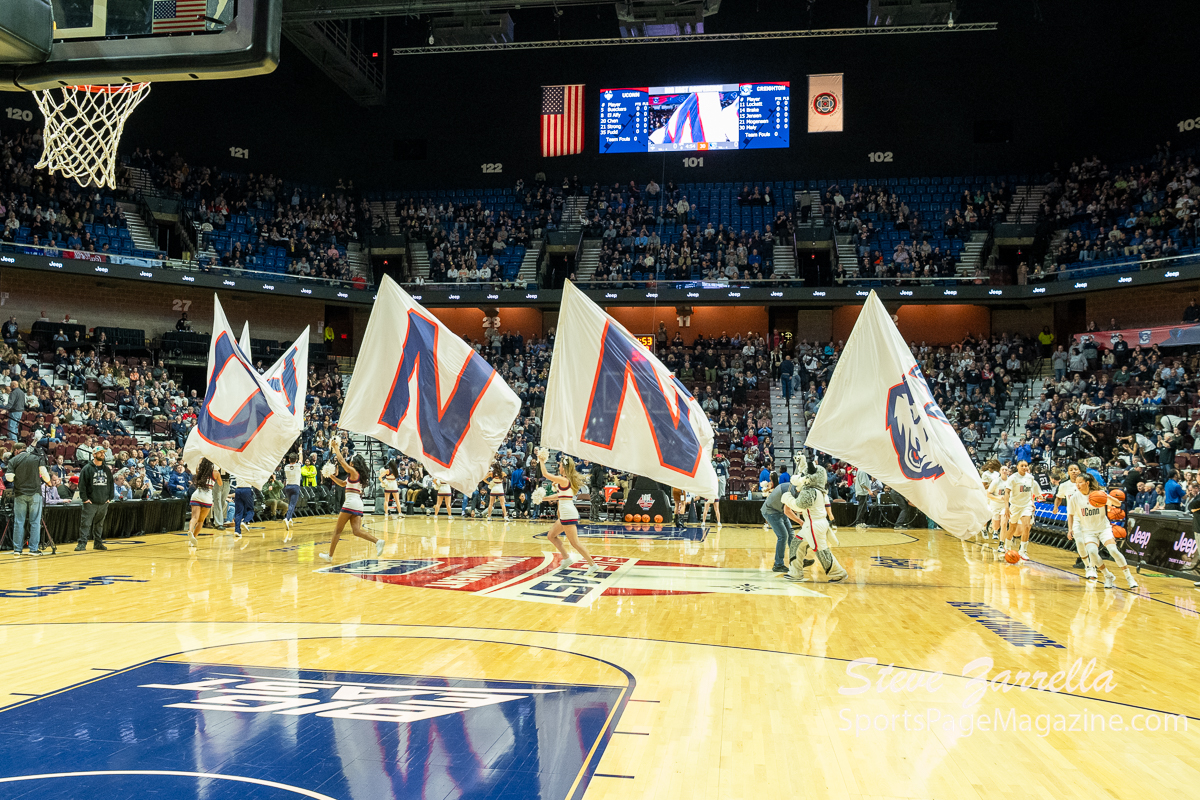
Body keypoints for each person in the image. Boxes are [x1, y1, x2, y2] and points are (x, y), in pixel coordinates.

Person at [319, 437, 385, 563]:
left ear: (354, 463)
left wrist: (336, 447)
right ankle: (378, 541)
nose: (349, 462)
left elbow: (341, 461)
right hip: (358, 503)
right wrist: (331, 476)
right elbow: (342, 484)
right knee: (356, 531)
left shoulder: (354, 472)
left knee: (337, 530)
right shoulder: (354, 475)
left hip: (350, 502)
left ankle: (330, 556)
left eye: (351, 461)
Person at [782, 455, 847, 583]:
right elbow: (807, 473)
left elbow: (799, 506)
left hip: (814, 526)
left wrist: (787, 498)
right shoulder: (818, 489)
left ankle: (839, 573)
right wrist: (802, 462)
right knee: (797, 544)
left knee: (821, 551)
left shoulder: (810, 491)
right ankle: (795, 573)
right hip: (813, 524)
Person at [538, 448, 598, 569]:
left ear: (564, 468)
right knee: (551, 536)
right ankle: (566, 558)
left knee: (575, 543)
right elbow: (559, 496)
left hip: (568, 514)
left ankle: (592, 564)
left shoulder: (564, 480)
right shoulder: (565, 480)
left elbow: (545, 474)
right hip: (565, 514)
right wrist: (543, 498)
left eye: (560, 465)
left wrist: (541, 460)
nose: (558, 467)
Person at [10, 442, 50, 556]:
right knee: (35, 522)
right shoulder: (37, 458)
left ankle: (17, 550)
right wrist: (49, 482)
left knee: (19, 522)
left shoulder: (13, 460)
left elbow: (9, 478)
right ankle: (33, 549)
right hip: (35, 493)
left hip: (20, 494)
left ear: (17, 451)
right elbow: (44, 474)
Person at [75, 447, 114, 551]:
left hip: (103, 502)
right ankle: (82, 543)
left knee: (99, 524)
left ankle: (98, 543)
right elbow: (82, 485)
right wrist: (85, 499)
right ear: (94, 454)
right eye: (100, 453)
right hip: (90, 502)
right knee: (85, 524)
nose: (102, 454)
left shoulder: (107, 469)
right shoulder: (87, 468)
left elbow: (111, 483)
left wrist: (110, 497)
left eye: (103, 453)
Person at [1004, 460, 1040, 561]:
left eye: (1026, 466)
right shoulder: (1012, 478)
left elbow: (1030, 491)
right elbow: (1007, 493)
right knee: (1012, 528)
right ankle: (1007, 547)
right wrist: (1006, 507)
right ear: (1017, 467)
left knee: (1027, 527)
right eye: (1022, 466)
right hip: (1015, 506)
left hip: (1026, 505)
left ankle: (1023, 551)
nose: (1024, 467)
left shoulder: (1030, 478)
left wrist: (1032, 502)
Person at [185, 458, 221, 547]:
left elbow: (198, 465)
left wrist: (201, 458)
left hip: (197, 494)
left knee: (194, 518)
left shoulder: (199, 471)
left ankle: (190, 530)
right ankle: (193, 538)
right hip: (207, 497)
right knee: (201, 521)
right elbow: (220, 484)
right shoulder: (215, 472)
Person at [985, 464, 1010, 544]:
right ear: (1000, 471)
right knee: (996, 526)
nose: (1004, 471)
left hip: (1005, 506)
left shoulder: (1011, 482)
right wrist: (998, 498)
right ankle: (993, 526)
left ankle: (1002, 543)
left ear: (1008, 472)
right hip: (995, 504)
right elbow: (988, 494)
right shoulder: (996, 481)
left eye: (1006, 470)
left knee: (1004, 523)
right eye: (1003, 469)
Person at [282, 450, 303, 538]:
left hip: (288, 487)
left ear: (289, 459)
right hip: (295, 486)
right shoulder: (298, 466)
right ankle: (287, 518)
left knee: (290, 502)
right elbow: (301, 459)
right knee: (292, 504)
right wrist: (300, 450)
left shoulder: (286, 467)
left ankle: (290, 518)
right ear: (296, 460)